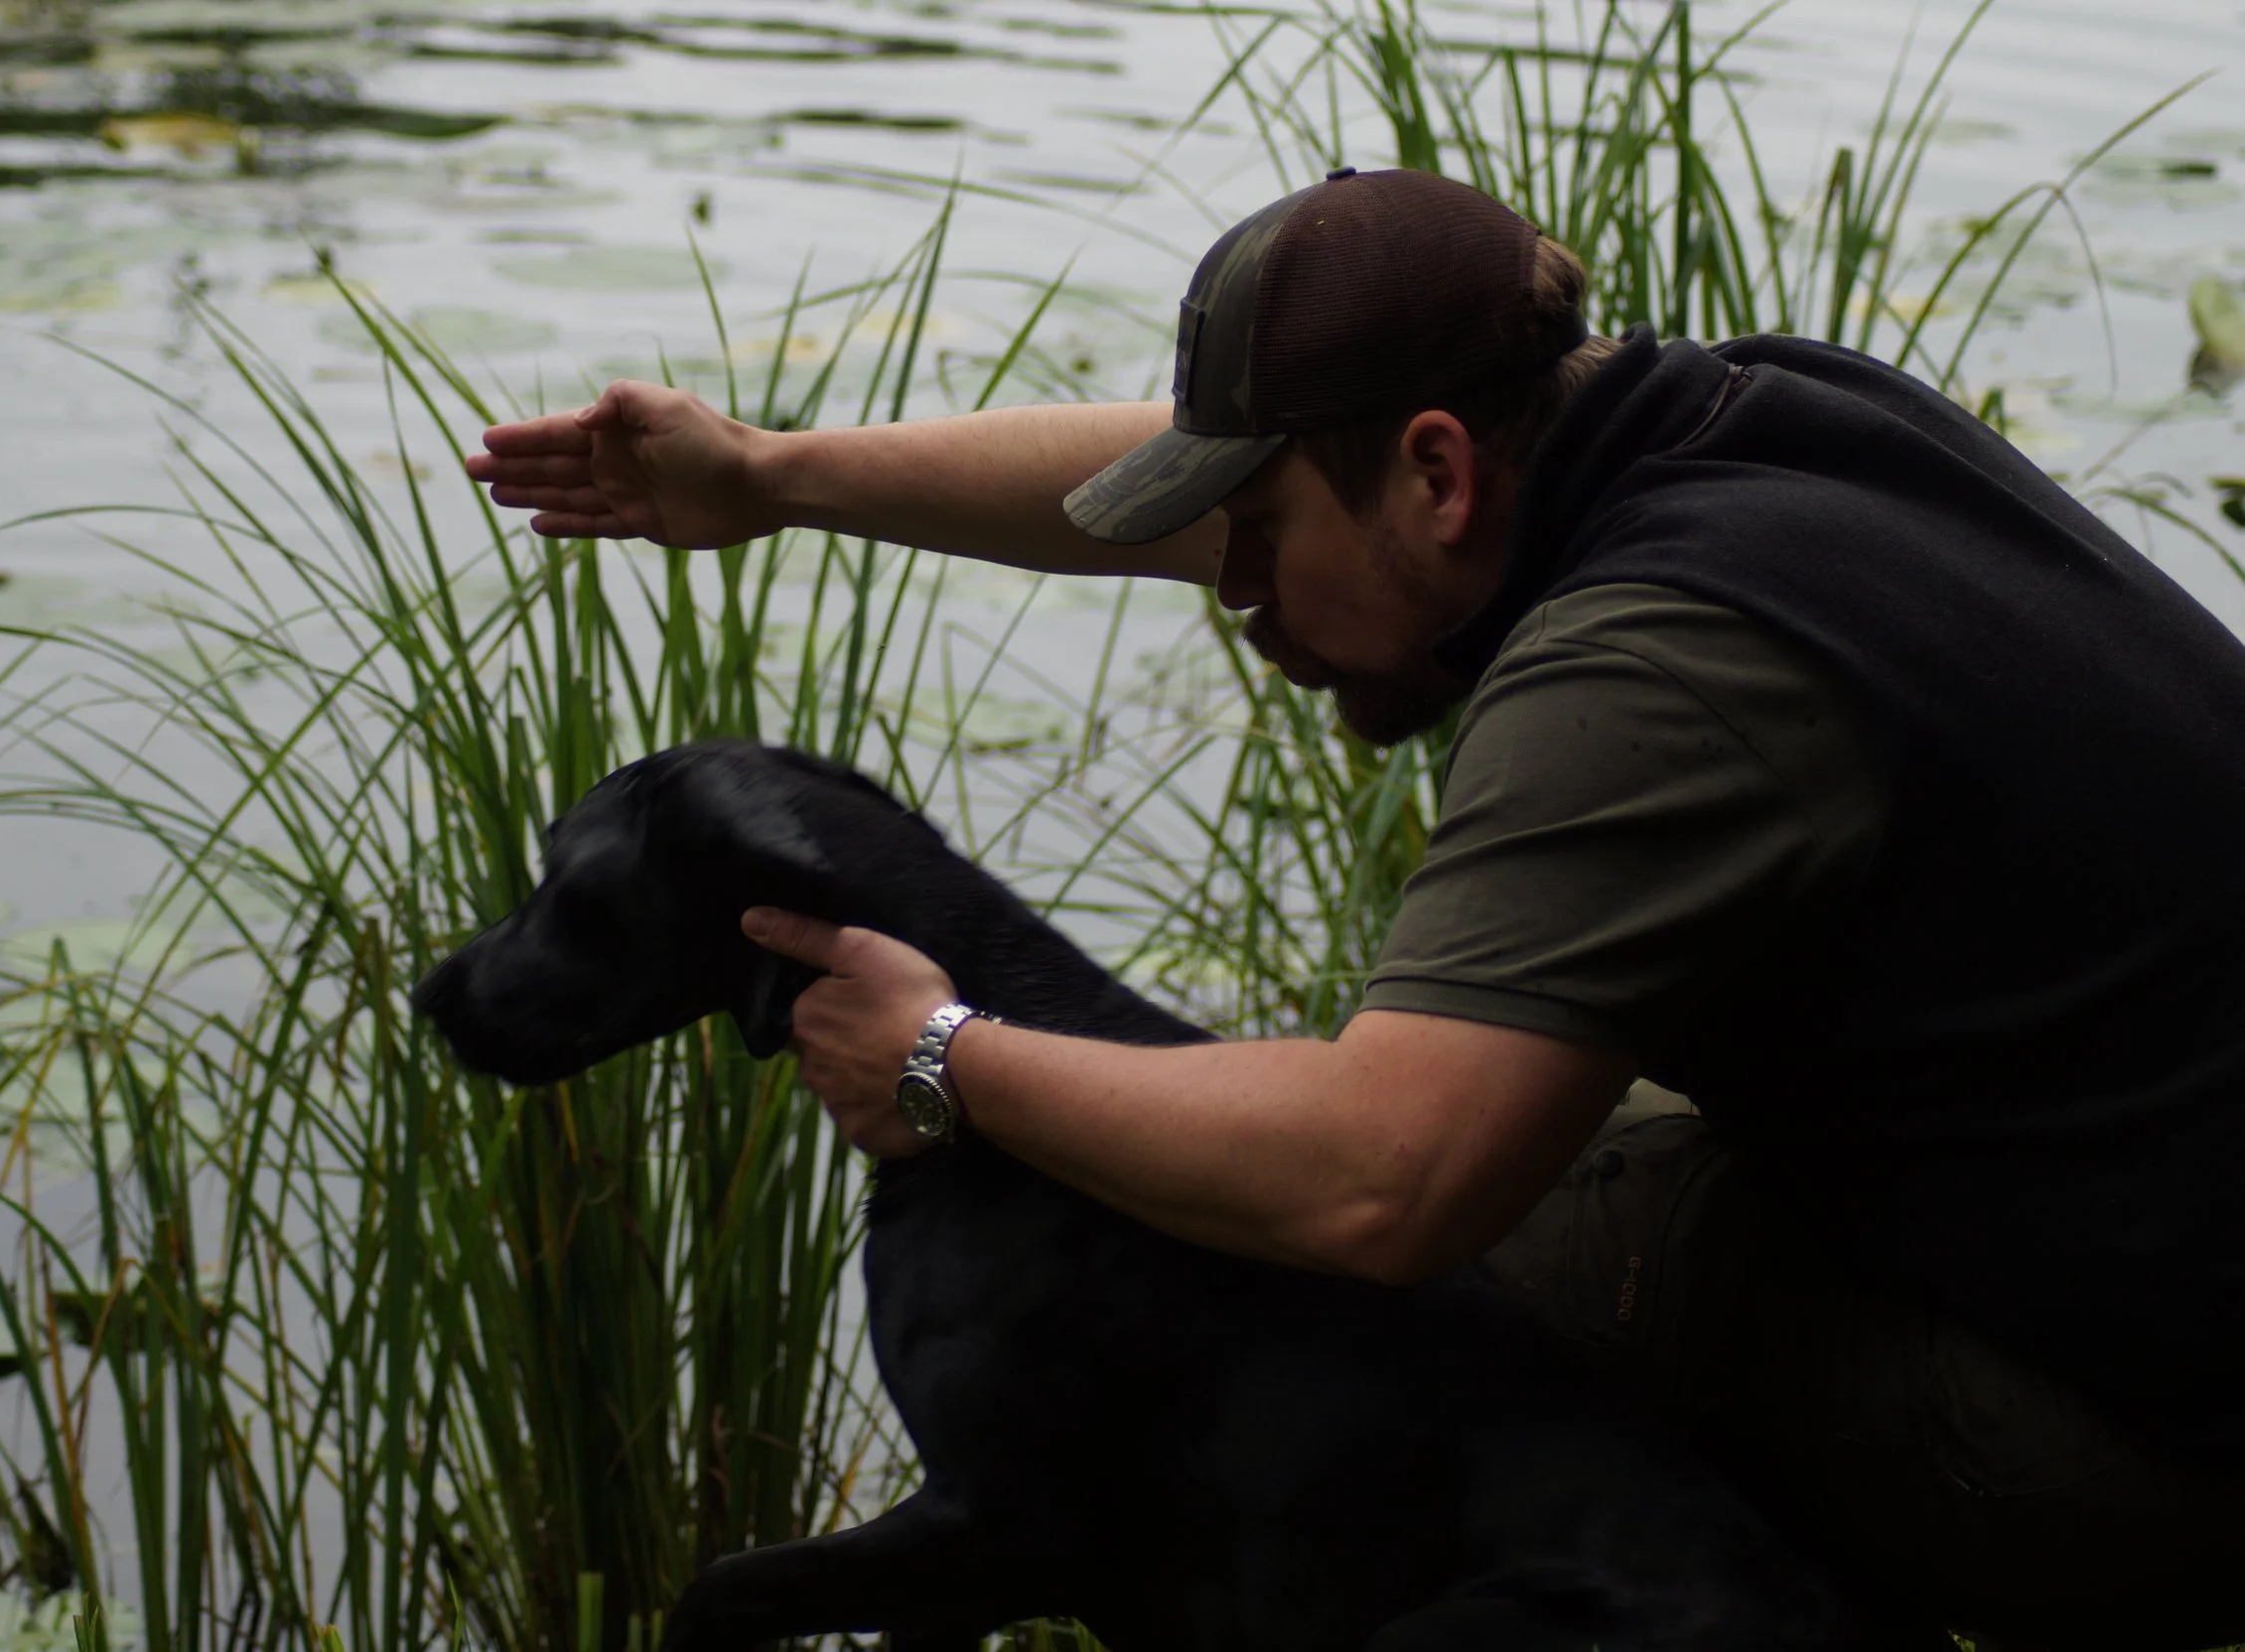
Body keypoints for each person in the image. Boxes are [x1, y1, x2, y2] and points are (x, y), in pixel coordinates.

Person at [466, 168, 2245, 1648]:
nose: (1230, 591)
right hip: (2151, 1221)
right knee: (1490, 1177)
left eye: (1251, 537)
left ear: (1438, 471)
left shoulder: (1659, 666)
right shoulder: (1757, 420)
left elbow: (1379, 1183)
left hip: (2160, 1440)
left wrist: (941, 1053)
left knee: (1420, 1272)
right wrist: (771, 476)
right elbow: (1225, 477)